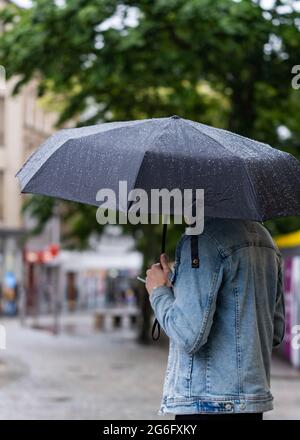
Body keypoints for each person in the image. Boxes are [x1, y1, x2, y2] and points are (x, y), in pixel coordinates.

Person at [146, 217, 285, 420]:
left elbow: (188, 336)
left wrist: (158, 292)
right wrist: (181, 289)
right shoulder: (267, 241)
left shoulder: (201, 240)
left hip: (208, 403)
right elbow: (275, 333)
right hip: (252, 404)